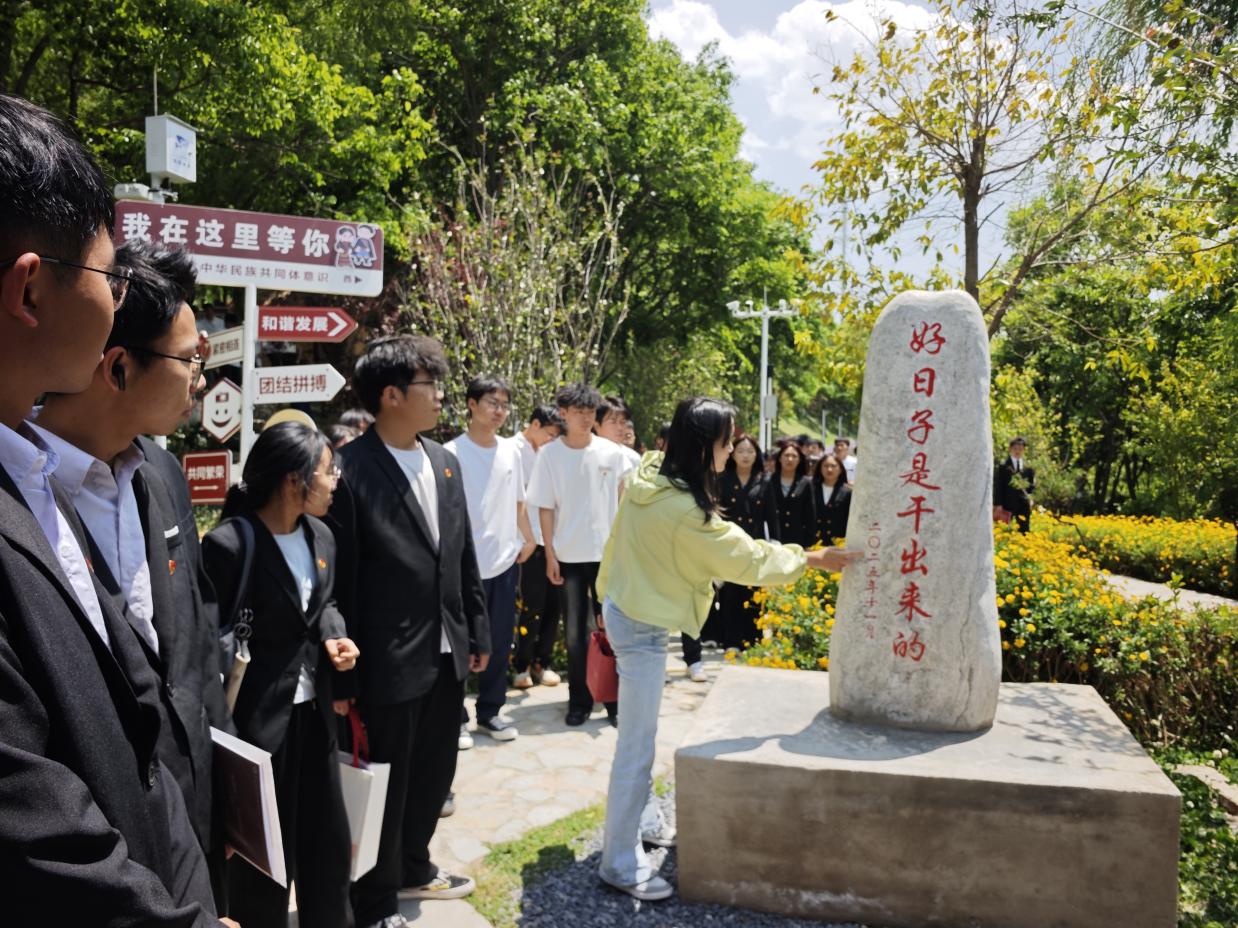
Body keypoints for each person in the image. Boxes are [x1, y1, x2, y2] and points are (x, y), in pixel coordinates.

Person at [0, 93, 230, 926]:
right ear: (32, 289)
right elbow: (32, 824)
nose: (200, 376)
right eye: (107, 276)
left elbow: (155, 688)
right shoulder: (37, 483)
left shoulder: (36, 474)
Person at [595, 397, 862, 901]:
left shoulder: (649, 474)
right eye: (727, 441)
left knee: (637, 735)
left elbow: (616, 542)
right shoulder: (685, 512)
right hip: (641, 627)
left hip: (623, 607)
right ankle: (619, 863)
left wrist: (603, 594)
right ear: (705, 447)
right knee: (636, 745)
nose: (733, 449)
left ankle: (643, 819)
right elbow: (748, 560)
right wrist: (810, 559)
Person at [30, 241, 233, 872]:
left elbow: (197, 642)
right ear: (118, 367)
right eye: (189, 359)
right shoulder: (26, 495)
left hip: (193, 820)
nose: (201, 379)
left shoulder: (163, 474)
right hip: (99, 848)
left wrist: (227, 788)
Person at [327, 335, 489, 924]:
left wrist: (476, 628)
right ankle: (372, 902)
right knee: (385, 787)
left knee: (434, 774)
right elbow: (337, 578)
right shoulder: (350, 470)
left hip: (447, 650)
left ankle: (415, 869)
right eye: (430, 385)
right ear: (391, 396)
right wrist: (343, 675)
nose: (441, 395)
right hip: (385, 660)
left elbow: (461, 553)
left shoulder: (444, 461)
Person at [203, 423, 358, 928]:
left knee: (328, 852)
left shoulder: (322, 536)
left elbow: (323, 605)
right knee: (262, 872)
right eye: (328, 470)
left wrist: (334, 635)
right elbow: (204, 647)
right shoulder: (230, 545)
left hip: (315, 720)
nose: (335, 481)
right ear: (295, 480)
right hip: (256, 734)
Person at [526, 383, 636, 727]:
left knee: (613, 629)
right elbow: (545, 507)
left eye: (590, 412)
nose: (585, 418)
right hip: (568, 556)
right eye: (578, 412)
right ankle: (579, 701)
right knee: (575, 633)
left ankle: (615, 701)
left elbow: (624, 501)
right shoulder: (550, 455)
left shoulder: (612, 453)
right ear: (564, 414)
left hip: (607, 556)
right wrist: (549, 554)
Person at [445, 375, 536, 743]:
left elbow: (518, 502)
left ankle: (490, 712)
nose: (500, 411)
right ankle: (456, 717)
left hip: (503, 562)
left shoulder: (511, 451)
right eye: (492, 403)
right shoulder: (450, 452)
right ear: (472, 404)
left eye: (504, 405)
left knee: (499, 641)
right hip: (463, 566)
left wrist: (529, 537)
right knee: (459, 643)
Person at [511, 404, 565, 690]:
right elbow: (513, 501)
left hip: (552, 539)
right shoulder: (512, 450)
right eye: (549, 433)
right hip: (525, 541)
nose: (551, 440)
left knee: (553, 605)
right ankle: (521, 664)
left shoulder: (549, 453)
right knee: (529, 606)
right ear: (534, 424)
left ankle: (543, 662)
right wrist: (527, 538)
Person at [712, 434, 771, 651]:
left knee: (754, 591)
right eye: (741, 451)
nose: (745, 455)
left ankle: (753, 639)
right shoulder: (723, 479)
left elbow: (771, 515)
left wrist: (775, 542)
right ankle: (731, 640)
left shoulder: (765, 480)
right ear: (733, 454)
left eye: (750, 451)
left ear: (757, 455)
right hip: (731, 544)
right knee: (731, 593)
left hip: (756, 544)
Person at [767, 438, 814, 546]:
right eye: (786, 455)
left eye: (794, 456)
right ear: (779, 458)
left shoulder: (805, 483)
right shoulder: (769, 480)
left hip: (797, 538)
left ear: (799, 460)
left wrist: (809, 543)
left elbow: (810, 516)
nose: (790, 459)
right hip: (773, 538)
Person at [994, 437, 1036, 533]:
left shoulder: (1028, 467)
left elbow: (1031, 485)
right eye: (1015, 449)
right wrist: (998, 504)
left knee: (1024, 530)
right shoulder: (1003, 466)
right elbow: (999, 486)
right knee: (1004, 531)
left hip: (1023, 504)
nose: (1018, 451)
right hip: (1007, 504)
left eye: (1020, 449)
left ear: (1024, 450)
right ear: (1010, 449)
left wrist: (1031, 498)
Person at [811, 452, 853, 547]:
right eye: (825, 466)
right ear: (820, 468)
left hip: (838, 543)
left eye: (833, 466)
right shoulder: (810, 489)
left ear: (841, 469)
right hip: (813, 542)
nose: (829, 469)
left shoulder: (848, 492)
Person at [596, 394, 641, 472]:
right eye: (613, 422)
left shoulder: (633, 459)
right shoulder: (585, 454)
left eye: (623, 422)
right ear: (596, 425)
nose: (620, 428)